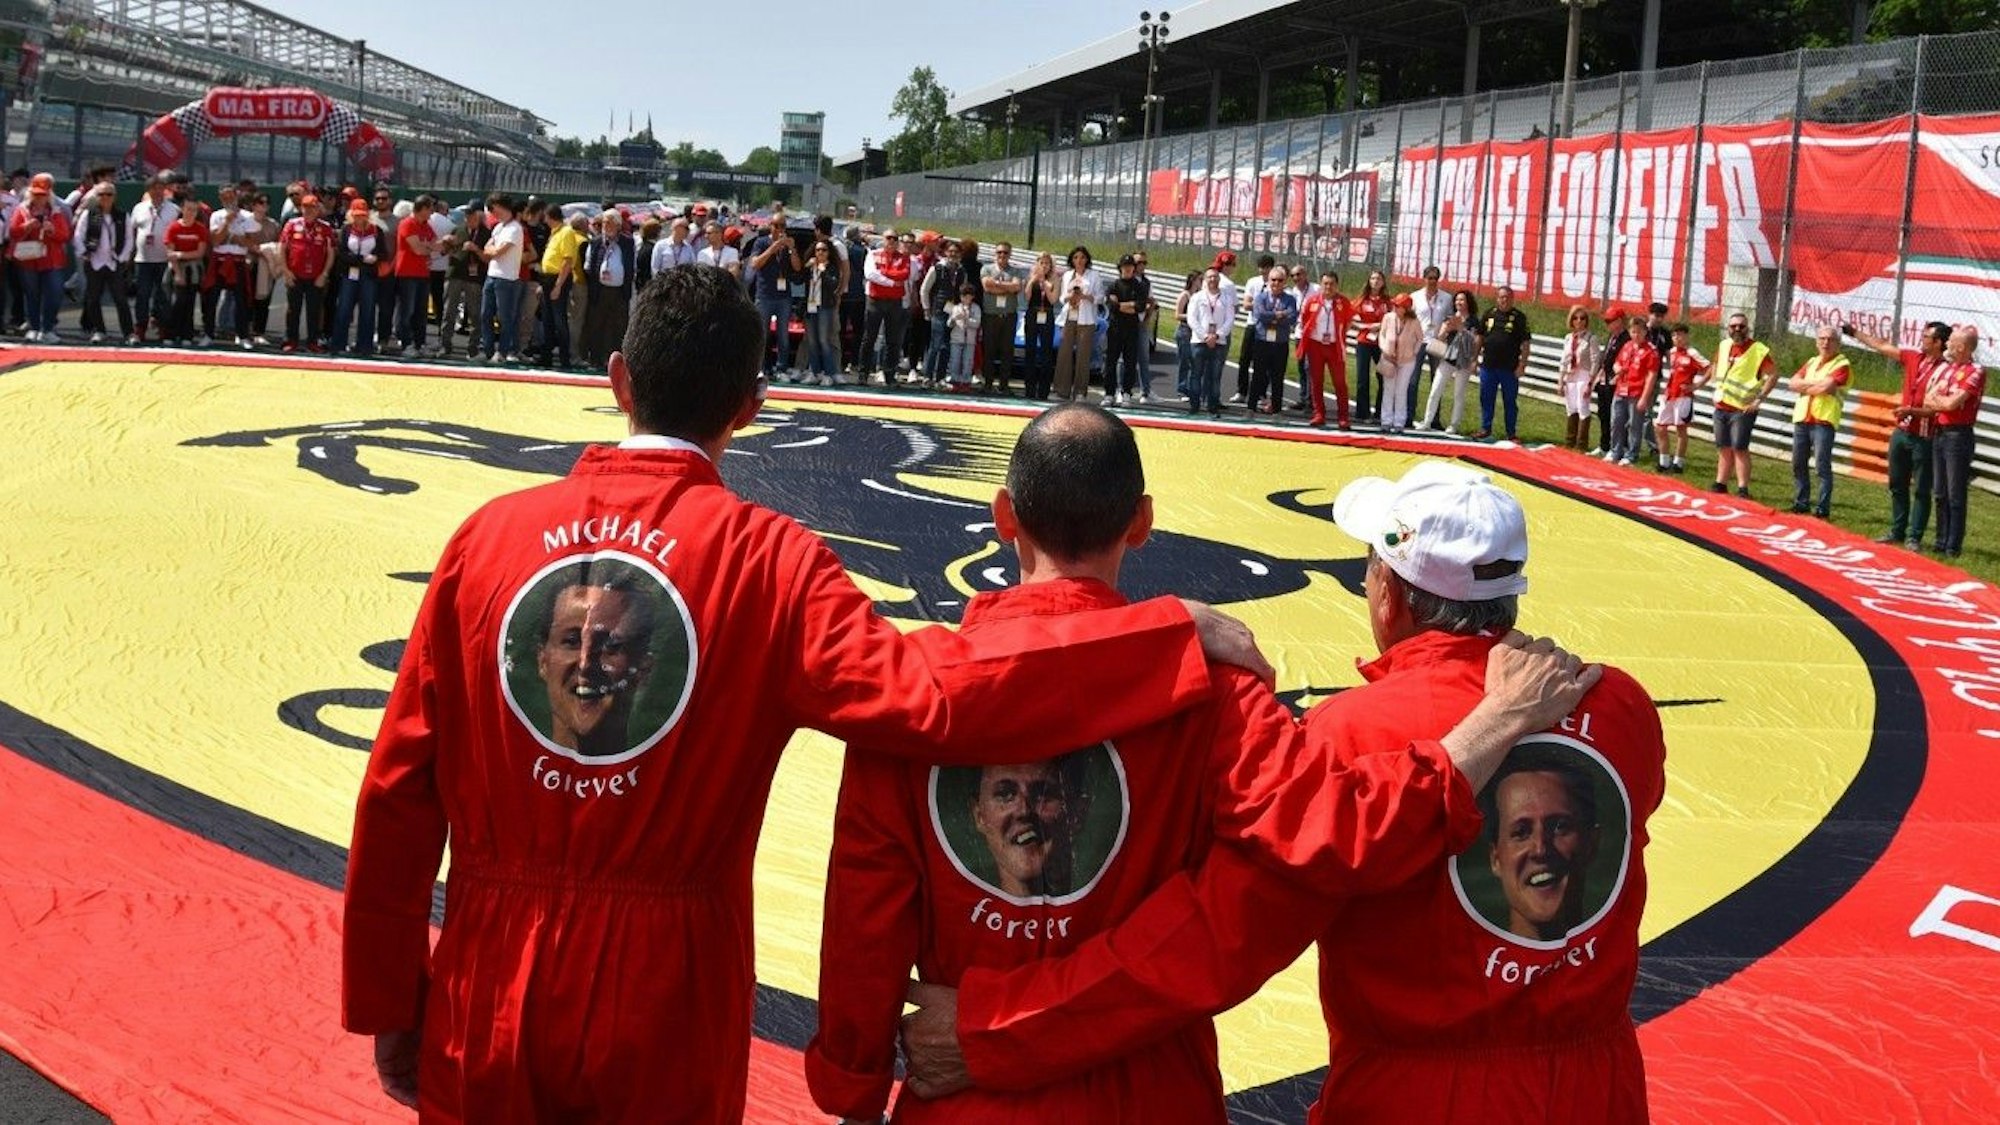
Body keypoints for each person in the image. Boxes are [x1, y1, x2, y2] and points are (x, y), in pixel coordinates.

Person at [341, 265, 1272, 1123]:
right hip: (666, 990)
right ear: (751, 406)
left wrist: (392, 993)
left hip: (487, 969)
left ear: (619, 379)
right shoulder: (769, 560)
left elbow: (397, 786)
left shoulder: (483, 540)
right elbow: (929, 699)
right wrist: (1155, 633)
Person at [808, 407, 1597, 1125]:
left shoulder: (916, 693)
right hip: (1151, 1086)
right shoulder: (1214, 685)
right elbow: (1303, 852)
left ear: (1004, 516)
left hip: (966, 1093)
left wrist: (853, 1080)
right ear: (1143, 523)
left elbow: (864, 912)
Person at [531, 570, 657, 757]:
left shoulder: (679, 782)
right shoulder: (500, 778)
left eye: (609, 645)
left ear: (643, 668)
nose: (585, 664)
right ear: (542, 660)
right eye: (572, 641)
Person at [1849, 320, 1950, 550]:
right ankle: (1897, 531)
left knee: (1922, 489)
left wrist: (1911, 411)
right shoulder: (1913, 358)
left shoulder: (1946, 370)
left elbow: (1940, 408)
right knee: (1896, 484)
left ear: (1938, 343)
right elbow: (1882, 346)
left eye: (1926, 337)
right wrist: (1855, 333)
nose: (1921, 339)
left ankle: (1914, 537)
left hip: (1925, 437)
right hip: (1901, 433)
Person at [1482, 746, 1600, 940]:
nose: (1540, 849)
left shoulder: (1629, 962)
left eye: (1560, 827)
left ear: (1592, 843)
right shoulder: (1452, 967)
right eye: (1521, 833)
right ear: (1495, 859)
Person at [1925, 326, 1985, 560]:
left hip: (1958, 436)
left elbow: (1952, 403)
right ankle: (1940, 540)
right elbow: (1928, 398)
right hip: (1940, 432)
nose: (1947, 344)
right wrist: (1943, 401)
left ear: (1961, 346)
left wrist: (1942, 402)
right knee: (1939, 491)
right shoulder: (1948, 369)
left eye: (1950, 341)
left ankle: (1953, 545)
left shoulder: (1975, 371)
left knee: (1955, 493)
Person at [1709, 312, 1778, 498]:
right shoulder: (1724, 346)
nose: (1737, 329)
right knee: (1723, 446)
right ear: (1728, 328)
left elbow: (1773, 375)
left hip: (1742, 408)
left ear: (1748, 328)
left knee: (1739, 447)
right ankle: (1720, 482)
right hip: (1722, 405)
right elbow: (1715, 365)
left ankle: (1742, 488)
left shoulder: (1758, 350)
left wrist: (1759, 399)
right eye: (1733, 326)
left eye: (1741, 326)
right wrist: (1715, 386)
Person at [1786, 326, 1852, 517]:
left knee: (1821, 466)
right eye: (1822, 338)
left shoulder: (1842, 363)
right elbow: (1792, 383)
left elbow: (1828, 387)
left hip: (1823, 421)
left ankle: (1822, 508)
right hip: (1803, 418)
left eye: (1830, 339)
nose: (1825, 343)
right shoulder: (1812, 362)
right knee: (1798, 463)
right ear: (1816, 342)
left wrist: (1805, 386)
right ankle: (1801, 502)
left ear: (1838, 343)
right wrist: (1816, 385)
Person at [9, 173, 70, 342]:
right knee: (32, 295)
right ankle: (34, 327)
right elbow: (13, 232)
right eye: (36, 194)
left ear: (49, 194)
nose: (39, 198)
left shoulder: (57, 211)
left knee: (54, 294)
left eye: (42, 194)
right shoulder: (22, 209)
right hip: (29, 259)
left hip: (52, 260)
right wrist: (26, 226)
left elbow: (65, 235)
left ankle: (48, 328)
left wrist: (52, 230)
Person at [71, 182, 132, 344]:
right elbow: (78, 235)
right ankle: (100, 331)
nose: (105, 198)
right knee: (93, 298)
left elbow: (129, 239)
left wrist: (122, 257)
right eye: (101, 194)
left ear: (114, 197)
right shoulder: (89, 215)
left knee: (120, 299)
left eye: (109, 194)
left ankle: (129, 333)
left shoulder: (122, 216)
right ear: (96, 197)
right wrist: (84, 253)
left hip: (114, 262)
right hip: (94, 261)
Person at [747, 216, 803, 379]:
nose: (780, 229)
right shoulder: (761, 242)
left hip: (783, 296)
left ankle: (781, 368)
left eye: (783, 226)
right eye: (777, 226)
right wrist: (773, 248)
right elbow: (755, 263)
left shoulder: (788, 245)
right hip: (764, 294)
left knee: (783, 334)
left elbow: (797, 267)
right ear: (771, 226)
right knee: (762, 333)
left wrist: (791, 249)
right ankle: (762, 367)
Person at [1295, 271, 1353, 428]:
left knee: (1340, 382)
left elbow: (1348, 322)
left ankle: (1343, 417)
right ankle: (1319, 413)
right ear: (1321, 285)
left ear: (1337, 285)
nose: (1328, 287)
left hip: (1334, 347)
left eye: (1332, 284)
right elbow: (1304, 321)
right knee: (1316, 381)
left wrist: (1338, 335)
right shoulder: (1312, 301)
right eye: (1325, 283)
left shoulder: (1343, 302)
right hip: (1316, 345)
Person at [277, 193, 334, 353]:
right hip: (294, 275)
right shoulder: (291, 224)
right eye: (306, 207)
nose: (309, 211)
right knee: (292, 310)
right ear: (301, 208)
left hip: (316, 276)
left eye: (312, 207)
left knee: (314, 310)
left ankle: (313, 341)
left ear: (318, 209)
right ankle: (291, 340)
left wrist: (324, 274)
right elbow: (282, 249)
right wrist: (286, 271)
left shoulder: (325, 227)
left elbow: (330, 253)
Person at [1419, 290, 1481, 436]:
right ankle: (1427, 421)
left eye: (1462, 300)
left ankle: (1454, 424)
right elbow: (1439, 338)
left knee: (1458, 393)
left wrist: (1461, 329)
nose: (1459, 302)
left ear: (1468, 302)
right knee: (1435, 389)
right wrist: (1445, 330)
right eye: (1457, 300)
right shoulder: (1449, 318)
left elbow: (1475, 340)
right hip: (1447, 358)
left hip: (1464, 359)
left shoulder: (1474, 320)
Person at [579, 210, 635, 370]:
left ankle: (615, 362)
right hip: (600, 290)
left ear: (618, 225)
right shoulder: (596, 242)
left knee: (618, 327)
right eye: (604, 223)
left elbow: (632, 266)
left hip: (620, 292)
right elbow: (588, 266)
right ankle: (595, 359)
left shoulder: (627, 242)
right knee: (596, 325)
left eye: (609, 223)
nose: (606, 226)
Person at [1604, 308, 1660, 466]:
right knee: (1616, 421)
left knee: (1635, 425)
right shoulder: (1627, 346)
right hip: (1621, 389)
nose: (1636, 335)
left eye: (1639, 332)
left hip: (1637, 391)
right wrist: (1617, 369)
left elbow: (1651, 376)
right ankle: (1615, 450)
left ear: (1645, 332)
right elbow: (1617, 363)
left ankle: (1631, 454)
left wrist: (1645, 397)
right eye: (1633, 332)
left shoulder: (1651, 351)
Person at [127, 172, 179, 344]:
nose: (158, 192)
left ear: (165, 190)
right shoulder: (139, 208)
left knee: (163, 296)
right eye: (154, 189)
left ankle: (164, 329)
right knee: (142, 295)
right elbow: (131, 231)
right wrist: (130, 255)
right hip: (143, 260)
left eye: (161, 189)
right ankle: (139, 329)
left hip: (164, 260)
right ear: (148, 190)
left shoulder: (174, 210)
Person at [1474, 286, 1531, 441]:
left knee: (1510, 401)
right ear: (1497, 298)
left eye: (1507, 297)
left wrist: (1522, 365)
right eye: (1501, 297)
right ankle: (1485, 429)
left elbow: (1525, 343)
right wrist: (1474, 359)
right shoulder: (1488, 314)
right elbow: (1479, 337)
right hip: (1488, 366)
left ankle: (1511, 433)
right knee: (1486, 398)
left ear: (1512, 299)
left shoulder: (1519, 317)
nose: (1504, 300)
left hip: (1509, 368)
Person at [474, 193, 525, 364]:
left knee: (505, 317)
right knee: (485, 314)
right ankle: (488, 351)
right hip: (492, 275)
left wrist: (492, 249)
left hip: (507, 278)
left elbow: (495, 251)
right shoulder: (498, 227)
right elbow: (488, 248)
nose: (491, 212)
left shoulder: (515, 229)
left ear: (501, 206)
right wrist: (491, 249)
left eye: (493, 208)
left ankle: (502, 352)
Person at [1653, 322, 1709, 474]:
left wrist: (1696, 385)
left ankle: (1678, 463)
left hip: (1684, 396)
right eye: (1674, 335)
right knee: (1660, 427)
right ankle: (1664, 461)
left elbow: (1709, 368)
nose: (1677, 338)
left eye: (1680, 334)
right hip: (1670, 394)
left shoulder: (1692, 353)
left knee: (1681, 429)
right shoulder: (1671, 352)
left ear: (1686, 336)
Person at [329, 199, 382, 356]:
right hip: (349, 274)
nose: (360, 218)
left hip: (369, 275)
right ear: (351, 215)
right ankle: (338, 344)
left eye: (363, 215)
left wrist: (375, 258)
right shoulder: (346, 230)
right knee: (344, 308)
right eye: (357, 215)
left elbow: (383, 252)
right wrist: (361, 259)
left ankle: (364, 346)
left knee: (368, 310)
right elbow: (342, 253)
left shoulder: (376, 230)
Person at [1053, 246, 1102, 402]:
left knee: (1083, 355)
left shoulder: (1093, 275)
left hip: (1086, 318)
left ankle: (1080, 391)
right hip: (1069, 316)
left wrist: (1086, 296)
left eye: (1082, 257)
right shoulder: (1067, 275)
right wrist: (1070, 296)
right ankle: (1062, 390)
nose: (1079, 260)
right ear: (1072, 260)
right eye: (1076, 258)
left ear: (1086, 259)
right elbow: (1061, 298)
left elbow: (1101, 297)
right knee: (1064, 353)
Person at [391, 195, 439, 356]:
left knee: (421, 311)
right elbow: (418, 249)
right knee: (406, 310)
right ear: (423, 208)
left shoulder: (426, 225)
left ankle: (420, 343)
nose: (432, 213)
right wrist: (428, 247)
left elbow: (437, 245)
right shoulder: (407, 224)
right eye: (430, 209)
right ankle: (406, 344)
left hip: (423, 273)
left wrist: (426, 246)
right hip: (407, 273)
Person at [860, 229, 910, 382]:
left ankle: (889, 374)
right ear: (883, 239)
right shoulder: (873, 254)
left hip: (894, 302)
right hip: (875, 300)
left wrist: (885, 273)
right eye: (889, 238)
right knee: (869, 338)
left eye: (895, 239)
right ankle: (863, 373)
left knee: (893, 340)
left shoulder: (903, 258)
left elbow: (904, 274)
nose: (892, 241)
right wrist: (892, 282)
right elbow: (870, 274)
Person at [1247, 266, 1297, 415]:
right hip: (1262, 341)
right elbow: (1260, 315)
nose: (1276, 283)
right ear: (1268, 281)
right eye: (1273, 280)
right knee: (1258, 375)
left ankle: (1276, 409)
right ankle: (1251, 406)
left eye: (1280, 280)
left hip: (1280, 343)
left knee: (1278, 377)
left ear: (1285, 282)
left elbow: (1292, 317)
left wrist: (1273, 316)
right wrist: (1280, 314)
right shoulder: (1261, 297)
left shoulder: (1290, 299)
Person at [162, 202, 209, 347]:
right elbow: (170, 253)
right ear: (182, 210)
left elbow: (200, 252)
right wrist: (178, 274)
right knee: (176, 302)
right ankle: (170, 333)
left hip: (193, 270)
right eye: (188, 209)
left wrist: (180, 254)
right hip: (176, 269)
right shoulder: (173, 227)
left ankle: (186, 335)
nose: (191, 213)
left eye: (194, 211)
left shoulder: (200, 229)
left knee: (189, 302)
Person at [1186, 268, 1231, 418]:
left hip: (1219, 342)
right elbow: (1191, 319)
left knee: (1215, 376)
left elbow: (1230, 320)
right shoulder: (1197, 297)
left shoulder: (1226, 298)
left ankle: (1213, 407)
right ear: (1205, 279)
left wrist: (1217, 335)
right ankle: (1194, 405)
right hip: (1199, 341)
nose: (1213, 279)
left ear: (1219, 279)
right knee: (1196, 374)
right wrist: (1205, 336)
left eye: (1215, 277)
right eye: (1210, 277)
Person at [981, 242, 1024, 393]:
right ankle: (987, 384)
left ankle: (1004, 385)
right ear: (995, 253)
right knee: (989, 350)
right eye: (999, 252)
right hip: (990, 315)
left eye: (1005, 252)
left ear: (1010, 254)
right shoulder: (987, 268)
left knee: (1007, 351)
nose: (1002, 255)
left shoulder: (1016, 271)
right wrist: (1007, 287)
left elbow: (1017, 287)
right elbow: (987, 286)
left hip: (1008, 316)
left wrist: (997, 285)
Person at [1104, 254, 1147, 406]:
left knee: (1130, 362)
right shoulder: (1114, 285)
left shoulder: (1139, 286)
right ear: (1120, 268)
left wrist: (1122, 305)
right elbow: (1112, 307)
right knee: (1111, 361)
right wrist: (1128, 305)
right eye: (1125, 266)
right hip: (1115, 328)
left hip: (1132, 328)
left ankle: (1127, 392)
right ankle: (1109, 393)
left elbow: (1139, 307)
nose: (1127, 269)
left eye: (1130, 266)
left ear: (1134, 269)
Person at [1376, 292, 1421, 433]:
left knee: (1401, 390)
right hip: (1389, 358)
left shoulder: (1414, 322)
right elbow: (1382, 335)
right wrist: (1384, 349)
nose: (1395, 307)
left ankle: (1399, 422)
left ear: (1406, 308)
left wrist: (1413, 352)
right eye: (1395, 304)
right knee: (1388, 389)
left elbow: (1420, 338)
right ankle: (1386, 420)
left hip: (1406, 361)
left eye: (1399, 305)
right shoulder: (1388, 317)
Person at [801, 238, 844, 387]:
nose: (820, 253)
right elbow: (799, 279)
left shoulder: (831, 267)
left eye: (824, 250)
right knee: (812, 341)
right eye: (818, 250)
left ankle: (829, 373)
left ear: (829, 253)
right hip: (811, 306)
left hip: (825, 307)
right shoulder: (810, 266)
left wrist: (823, 271)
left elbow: (833, 284)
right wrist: (807, 267)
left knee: (824, 340)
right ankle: (815, 372)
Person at [1556, 305, 1599, 450]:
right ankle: (1569, 442)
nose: (1579, 321)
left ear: (1586, 321)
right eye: (1575, 318)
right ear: (1571, 320)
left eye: (1582, 318)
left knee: (1583, 406)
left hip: (1584, 374)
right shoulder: (1569, 338)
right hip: (1570, 374)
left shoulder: (1591, 338)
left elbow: (1595, 360)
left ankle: (1581, 444)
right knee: (1571, 406)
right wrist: (1560, 381)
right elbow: (1564, 360)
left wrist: (1591, 382)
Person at [1350, 269, 1388, 422]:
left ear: (1383, 282)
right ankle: (1362, 412)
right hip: (1364, 341)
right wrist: (1360, 327)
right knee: (1362, 378)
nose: (1376, 281)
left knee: (1383, 377)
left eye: (1379, 278)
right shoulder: (1361, 300)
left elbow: (1393, 319)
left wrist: (1380, 325)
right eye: (1373, 278)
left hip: (1382, 343)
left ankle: (1380, 412)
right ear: (1368, 281)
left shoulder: (1387, 302)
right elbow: (1349, 317)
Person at [1022, 251, 1059, 400]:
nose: (1044, 266)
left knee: (1046, 353)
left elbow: (1053, 300)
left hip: (1047, 313)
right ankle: (1029, 388)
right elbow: (1026, 297)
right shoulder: (1031, 276)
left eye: (1047, 263)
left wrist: (1044, 282)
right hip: (1033, 313)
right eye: (1041, 263)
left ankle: (1043, 390)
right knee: (1030, 350)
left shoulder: (1055, 279)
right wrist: (1033, 281)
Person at [946, 282, 980, 390]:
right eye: (963, 296)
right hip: (956, 339)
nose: (965, 299)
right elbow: (949, 324)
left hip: (970, 340)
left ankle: (966, 381)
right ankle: (954, 381)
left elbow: (976, 323)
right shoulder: (956, 308)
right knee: (955, 360)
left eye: (968, 296)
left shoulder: (976, 308)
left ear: (972, 297)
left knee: (968, 362)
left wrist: (967, 319)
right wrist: (953, 319)